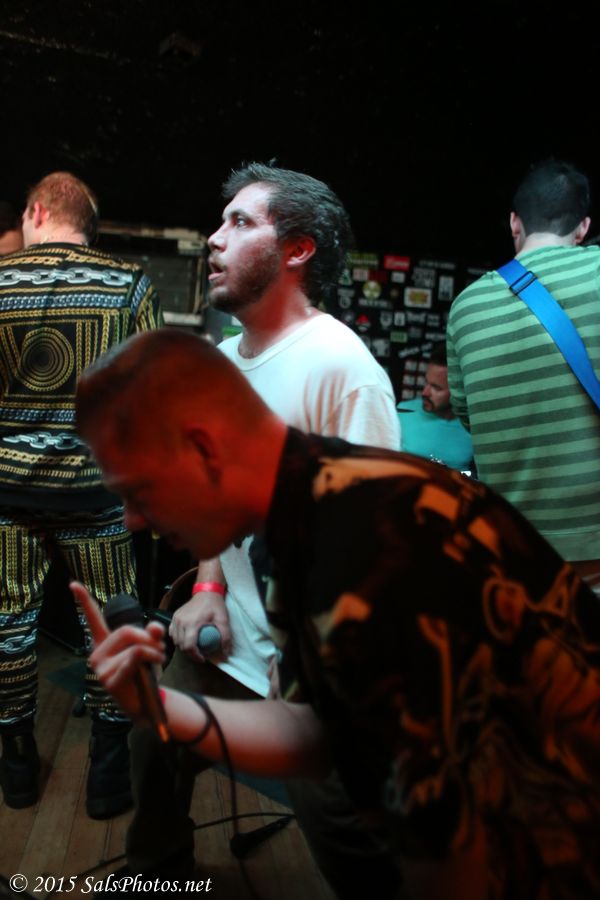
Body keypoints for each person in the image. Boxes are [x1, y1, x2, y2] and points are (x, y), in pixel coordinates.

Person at [74, 328, 600, 900]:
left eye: (138, 491)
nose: (131, 520)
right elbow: (312, 732)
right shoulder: (300, 503)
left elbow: (445, 839)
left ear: (203, 449)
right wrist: (162, 710)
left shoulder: (353, 551)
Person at [125, 162, 402, 895]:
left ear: (297, 250)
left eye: (240, 222)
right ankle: (159, 877)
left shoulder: (341, 369)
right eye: (221, 221)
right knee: (154, 739)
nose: (214, 238)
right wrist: (209, 587)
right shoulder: (221, 364)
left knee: (338, 824)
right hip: (234, 640)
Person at [0, 172, 163, 817]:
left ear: (38, 211)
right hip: (95, 492)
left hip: (6, 490)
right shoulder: (129, 284)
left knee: (9, 623)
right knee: (109, 625)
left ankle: (16, 764)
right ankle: (108, 773)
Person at [446, 157, 600, 594]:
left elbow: (469, 416)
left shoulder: (465, 308)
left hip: (512, 555)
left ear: (515, 222)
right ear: (583, 227)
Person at [397, 343, 473, 471]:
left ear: (458, 391)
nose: (425, 393)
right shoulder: (402, 413)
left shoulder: (472, 425)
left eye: (436, 388)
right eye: (426, 382)